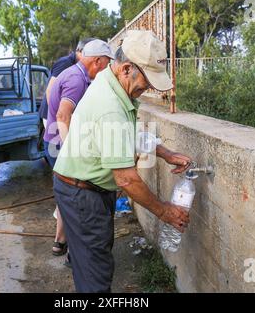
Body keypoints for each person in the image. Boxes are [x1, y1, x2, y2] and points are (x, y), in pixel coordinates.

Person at [52, 30, 192, 293]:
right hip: (82, 194)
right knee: (96, 274)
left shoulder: (112, 84)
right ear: (127, 68)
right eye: (147, 82)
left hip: (83, 188)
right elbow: (126, 179)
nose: (148, 89)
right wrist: (164, 212)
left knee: (93, 259)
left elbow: (129, 133)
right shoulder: (110, 106)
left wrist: (165, 153)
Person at [44, 39, 115, 258]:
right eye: (107, 63)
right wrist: (71, 151)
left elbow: (52, 100)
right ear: (98, 61)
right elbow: (62, 115)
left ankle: (61, 242)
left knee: (66, 198)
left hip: (54, 141)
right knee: (75, 197)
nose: (108, 68)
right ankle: (74, 251)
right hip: (60, 145)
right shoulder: (76, 79)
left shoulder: (75, 73)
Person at [38, 38, 95, 129]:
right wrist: (58, 117)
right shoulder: (65, 63)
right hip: (53, 116)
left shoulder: (79, 66)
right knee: (57, 142)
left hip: (63, 115)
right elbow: (51, 91)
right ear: (79, 50)